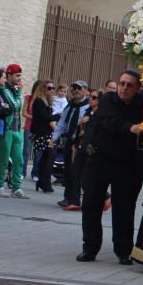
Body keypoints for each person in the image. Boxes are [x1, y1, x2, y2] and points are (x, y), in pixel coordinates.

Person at [77, 70, 143, 265]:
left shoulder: (142, 104)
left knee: (125, 208)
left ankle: (124, 251)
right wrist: (131, 128)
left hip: (126, 163)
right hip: (99, 159)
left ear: (138, 88)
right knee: (91, 204)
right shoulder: (108, 100)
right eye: (122, 83)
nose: (124, 88)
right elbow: (109, 121)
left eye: (129, 85)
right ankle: (90, 248)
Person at [54, 80, 91, 209]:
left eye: (79, 88)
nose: (76, 90)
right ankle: (69, 198)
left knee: (78, 172)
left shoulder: (88, 107)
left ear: (86, 90)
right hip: (70, 141)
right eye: (74, 88)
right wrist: (54, 138)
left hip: (81, 143)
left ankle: (76, 200)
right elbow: (62, 123)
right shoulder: (69, 106)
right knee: (69, 170)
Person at [0, 64, 25, 197]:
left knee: (19, 159)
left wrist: (18, 92)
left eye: (20, 76)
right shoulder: (4, 89)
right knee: (4, 158)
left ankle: (16, 187)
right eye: (17, 76)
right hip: (7, 129)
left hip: (17, 129)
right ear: (9, 75)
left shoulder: (16, 89)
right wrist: (19, 93)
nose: (19, 78)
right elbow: (15, 105)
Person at [30, 79, 58, 194]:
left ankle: (43, 182)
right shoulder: (39, 102)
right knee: (47, 157)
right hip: (42, 134)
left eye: (53, 88)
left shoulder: (47, 102)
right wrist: (58, 116)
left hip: (47, 133)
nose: (51, 90)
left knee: (48, 158)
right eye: (49, 88)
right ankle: (44, 182)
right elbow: (45, 117)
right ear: (43, 89)